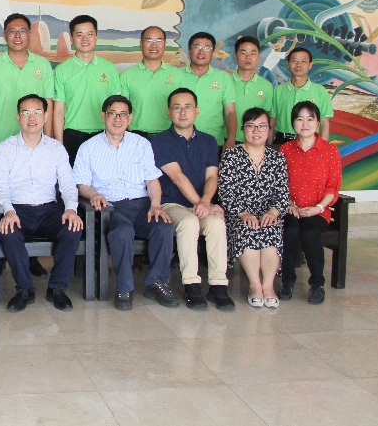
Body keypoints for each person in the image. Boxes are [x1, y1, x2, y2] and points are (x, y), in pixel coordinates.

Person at [73, 94, 178, 311]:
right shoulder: (88, 147)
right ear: (103, 116)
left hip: (142, 205)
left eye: (123, 114)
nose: (118, 119)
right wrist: (93, 194)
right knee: (122, 232)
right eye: (113, 113)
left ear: (130, 119)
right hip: (110, 207)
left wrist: (156, 205)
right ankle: (124, 287)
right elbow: (81, 184)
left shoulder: (142, 144)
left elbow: (152, 180)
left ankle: (157, 282)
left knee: (164, 228)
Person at [0, 94, 83, 312]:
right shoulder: (5, 148)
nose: (31, 118)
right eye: (25, 113)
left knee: (73, 228)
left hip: (49, 209)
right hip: (17, 209)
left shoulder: (56, 148)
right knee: (8, 230)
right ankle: (25, 289)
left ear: (45, 116)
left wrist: (71, 209)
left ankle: (57, 288)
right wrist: (8, 211)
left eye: (37, 112)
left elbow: (68, 185)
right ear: (18, 117)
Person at [151, 88, 234, 311]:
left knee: (216, 224)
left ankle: (218, 285)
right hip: (171, 203)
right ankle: (191, 284)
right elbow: (177, 177)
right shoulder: (159, 141)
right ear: (169, 112)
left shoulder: (209, 141)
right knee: (189, 223)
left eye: (188, 107)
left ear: (197, 111)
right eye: (177, 107)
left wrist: (206, 202)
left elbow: (212, 176)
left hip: (201, 203)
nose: (182, 112)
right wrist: (202, 203)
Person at [218, 108, 291, 308]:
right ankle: (255, 285)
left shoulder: (277, 158)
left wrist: (273, 212)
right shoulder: (231, 156)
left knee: (270, 228)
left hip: (269, 213)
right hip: (239, 214)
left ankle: (268, 286)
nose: (256, 131)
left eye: (261, 126)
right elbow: (225, 191)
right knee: (248, 229)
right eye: (251, 126)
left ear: (269, 130)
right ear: (243, 130)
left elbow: (283, 192)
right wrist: (243, 213)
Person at [280, 101, 342, 305]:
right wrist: (288, 204)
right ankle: (287, 280)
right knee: (289, 230)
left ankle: (317, 284)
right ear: (293, 123)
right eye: (300, 119)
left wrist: (318, 208)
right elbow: (278, 183)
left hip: (318, 211)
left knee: (309, 232)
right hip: (290, 209)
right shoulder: (285, 149)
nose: (305, 124)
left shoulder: (330, 151)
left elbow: (332, 187)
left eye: (310, 119)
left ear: (317, 123)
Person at [0, 13, 54, 150]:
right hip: (0, 142)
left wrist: (47, 141)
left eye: (22, 31)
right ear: (5, 35)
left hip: (36, 144)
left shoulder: (43, 65)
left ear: (29, 34)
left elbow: (48, 104)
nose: (17, 36)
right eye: (12, 31)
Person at [53, 14, 120, 163]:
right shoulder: (61, 70)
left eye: (89, 34)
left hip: (104, 134)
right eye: (79, 35)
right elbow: (58, 111)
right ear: (71, 38)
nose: (85, 39)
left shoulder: (109, 68)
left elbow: (117, 107)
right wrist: (59, 145)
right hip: (72, 136)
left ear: (96, 36)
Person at [120, 26, 184, 138]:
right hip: (136, 136)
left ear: (165, 44)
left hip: (169, 136)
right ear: (141, 44)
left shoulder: (178, 75)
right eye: (149, 41)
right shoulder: (126, 76)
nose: (154, 45)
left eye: (159, 41)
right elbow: (122, 110)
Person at [179, 32, 237, 148]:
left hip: (214, 143)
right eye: (197, 47)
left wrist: (231, 138)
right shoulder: (176, 75)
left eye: (207, 48)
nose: (201, 52)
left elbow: (230, 112)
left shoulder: (223, 77)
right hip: (180, 142)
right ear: (189, 50)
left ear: (213, 52)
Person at [272, 47, 333, 145]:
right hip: (281, 141)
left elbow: (324, 123)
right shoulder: (278, 90)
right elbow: (273, 120)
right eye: (294, 61)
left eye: (303, 61)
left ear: (310, 65)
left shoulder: (320, 91)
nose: (298, 65)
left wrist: (323, 148)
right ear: (288, 64)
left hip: (310, 142)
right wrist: (270, 144)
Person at [231, 36, 274, 144]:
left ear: (259, 57)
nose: (248, 57)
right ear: (235, 56)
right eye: (243, 53)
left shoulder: (267, 86)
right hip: (227, 140)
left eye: (253, 53)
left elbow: (267, 116)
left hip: (255, 142)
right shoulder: (225, 81)